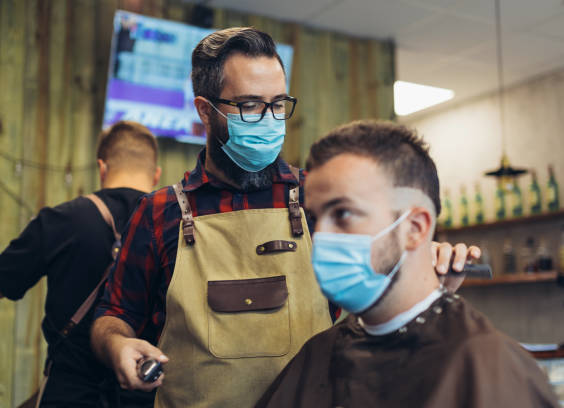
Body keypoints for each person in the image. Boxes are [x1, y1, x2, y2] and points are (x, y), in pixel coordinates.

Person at [91, 27, 479, 408]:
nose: (269, 119)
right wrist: (117, 344)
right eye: (249, 105)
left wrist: (434, 280)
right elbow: (114, 314)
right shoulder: (160, 214)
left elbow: (384, 297)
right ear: (205, 112)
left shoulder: (321, 200)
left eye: (278, 104)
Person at [256, 121, 559, 408]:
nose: (320, 236)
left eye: (343, 214)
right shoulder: (317, 354)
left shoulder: (486, 365)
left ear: (414, 228)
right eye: (315, 217)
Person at [0, 121, 161, 407]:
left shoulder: (63, 219)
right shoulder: (170, 229)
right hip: (145, 396)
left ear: (102, 168)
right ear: (156, 175)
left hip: (68, 393)